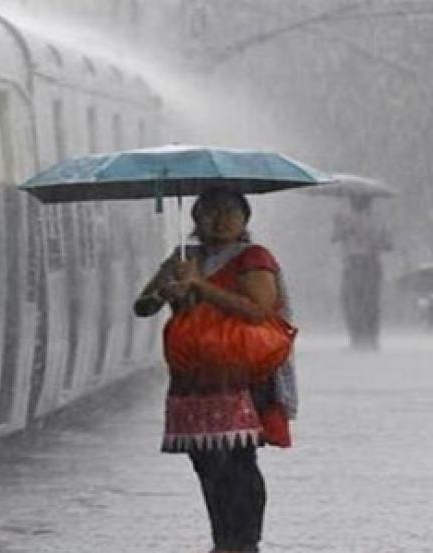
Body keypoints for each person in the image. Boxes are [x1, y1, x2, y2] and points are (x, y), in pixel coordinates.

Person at [134, 187, 296, 553]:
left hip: (241, 375)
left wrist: (200, 286)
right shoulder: (184, 257)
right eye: (210, 212)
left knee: (238, 459)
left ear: (245, 219)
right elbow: (143, 305)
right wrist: (167, 290)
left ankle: (244, 541)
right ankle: (222, 539)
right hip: (195, 377)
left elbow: (258, 310)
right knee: (206, 459)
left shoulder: (254, 258)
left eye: (230, 212)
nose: (221, 220)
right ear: (196, 219)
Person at [332, 195, 392, 350]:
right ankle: (369, 337)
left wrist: (343, 227)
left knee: (353, 301)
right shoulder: (378, 221)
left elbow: (335, 238)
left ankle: (359, 337)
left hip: (355, 262)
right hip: (370, 262)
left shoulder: (348, 221)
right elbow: (388, 244)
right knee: (368, 301)